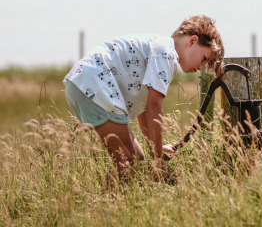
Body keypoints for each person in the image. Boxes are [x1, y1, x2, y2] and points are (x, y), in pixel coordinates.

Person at [64, 15, 224, 186]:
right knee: (126, 162)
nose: (200, 67)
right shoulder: (166, 54)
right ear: (192, 41)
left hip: (84, 84)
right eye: (204, 59)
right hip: (94, 85)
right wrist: (158, 161)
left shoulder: (159, 49)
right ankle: (106, 208)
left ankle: (111, 206)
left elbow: (145, 109)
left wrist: (155, 149)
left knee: (136, 159)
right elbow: (154, 105)